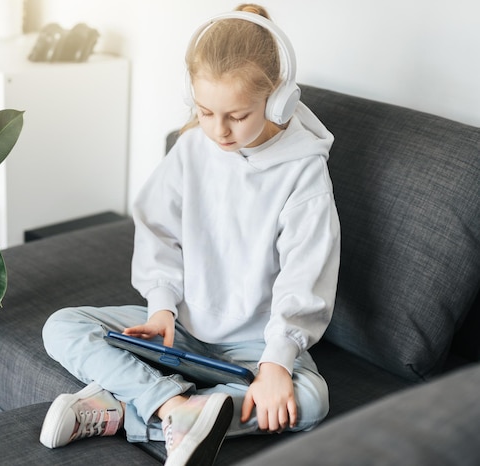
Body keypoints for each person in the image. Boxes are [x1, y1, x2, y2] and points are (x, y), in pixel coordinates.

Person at [39, 4, 340, 465]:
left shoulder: (304, 174)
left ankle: (123, 409)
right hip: (180, 327)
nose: (219, 130)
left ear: (277, 99)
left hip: (254, 344)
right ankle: (176, 409)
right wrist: (161, 308)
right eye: (205, 112)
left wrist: (277, 362)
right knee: (62, 326)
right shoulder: (191, 148)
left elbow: (306, 275)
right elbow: (157, 230)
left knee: (311, 399)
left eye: (237, 115)